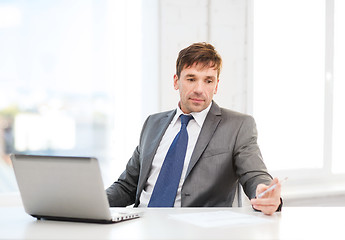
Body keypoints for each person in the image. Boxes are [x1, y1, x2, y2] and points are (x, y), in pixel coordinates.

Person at [106, 42, 282, 215]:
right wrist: (90, 203)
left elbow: (254, 175)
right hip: (141, 224)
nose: (199, 89)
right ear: (176, 81)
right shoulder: (153, 124)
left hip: (195, 230)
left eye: (208, 81)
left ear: (216, 85)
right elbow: (127, 186)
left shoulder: (238, 126)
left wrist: (264, 192)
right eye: (191, 79)